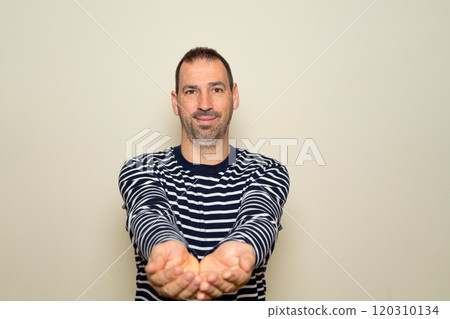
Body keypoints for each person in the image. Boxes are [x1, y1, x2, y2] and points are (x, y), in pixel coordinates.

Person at [118, 47, 290, 300]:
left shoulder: (267, 171)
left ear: (235, 96)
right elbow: (150, 212)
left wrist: (242, 250)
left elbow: (260, 216)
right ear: (176, 102)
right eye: (191, 91)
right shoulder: (141, 169)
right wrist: (164, 248)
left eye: (216, 90)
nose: (205, 104)